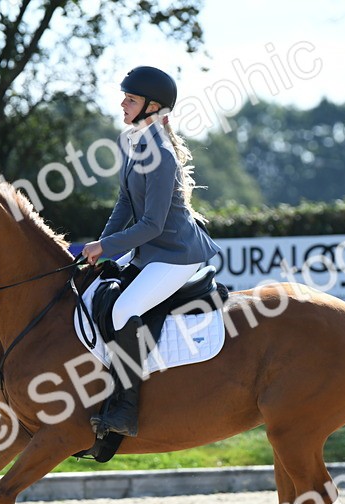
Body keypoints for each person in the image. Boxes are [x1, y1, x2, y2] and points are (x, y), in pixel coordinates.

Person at [81, 66, 220, 439]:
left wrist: (106, 247)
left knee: (125, 309)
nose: (122, 104)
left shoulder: (161, 154)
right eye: (125, 97)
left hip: (175, 254)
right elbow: (124, 205)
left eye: (130, 99)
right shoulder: (135, 143)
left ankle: (126, 408)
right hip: (150, 251)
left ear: (152, 107)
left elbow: (152, 226)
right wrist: (99, 250)